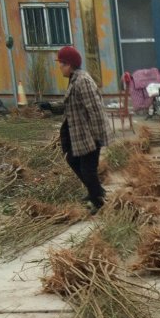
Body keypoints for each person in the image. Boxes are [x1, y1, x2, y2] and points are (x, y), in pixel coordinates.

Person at [40, 46, 110, 214]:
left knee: (88, 169)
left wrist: (97, 137)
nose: (59, 67)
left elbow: (95, 110)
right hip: (77, 134)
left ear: (69, 64)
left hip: (88, 135)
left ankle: (99, 202)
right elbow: (70, 105)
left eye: (61, 64)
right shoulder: (74, 79)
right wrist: (50, 106)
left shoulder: (82, 80)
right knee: (72, 160)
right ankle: (96, 191)